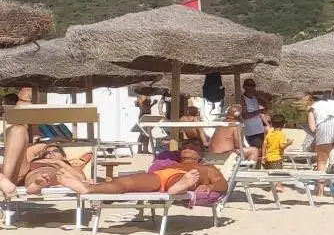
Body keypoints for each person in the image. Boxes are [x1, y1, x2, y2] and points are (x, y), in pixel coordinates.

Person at [50, 143, 226, 201]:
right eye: (185, 147)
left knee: (179, 178)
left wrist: (210, 187)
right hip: (161, 177)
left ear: (200, 154)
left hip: (185, 178)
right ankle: (88, 189)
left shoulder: (206, 168)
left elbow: (223, 184)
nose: (187, 149)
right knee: (125, 182)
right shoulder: (169, 162)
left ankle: (178, 187)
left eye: (192, 147)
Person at [239, 77, 272, 155]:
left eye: (252, 85)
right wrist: (258, 111)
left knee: (262, 150)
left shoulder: (255, 98)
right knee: (257, 151)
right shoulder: (242, 99)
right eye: (248, 85)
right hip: (251, 131)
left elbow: (270, 107)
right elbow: (245, 116)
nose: (250, 87)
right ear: (244, 87)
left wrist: (260, 97)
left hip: (259, 129)